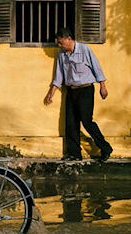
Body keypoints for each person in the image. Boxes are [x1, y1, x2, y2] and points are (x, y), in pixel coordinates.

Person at [43, 27, 113, 162]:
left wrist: (103, 87)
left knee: (87, 121)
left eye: (61, 43)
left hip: (85, 90)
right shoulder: (62, 55)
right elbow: (59, 77)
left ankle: (105, 148)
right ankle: (75, 154)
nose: (59, 46)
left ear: (69, 39)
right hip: (70, 91)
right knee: (70, 123)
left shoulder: (85, 50)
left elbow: (96, 68)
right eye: (58, 43)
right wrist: (51, 93)